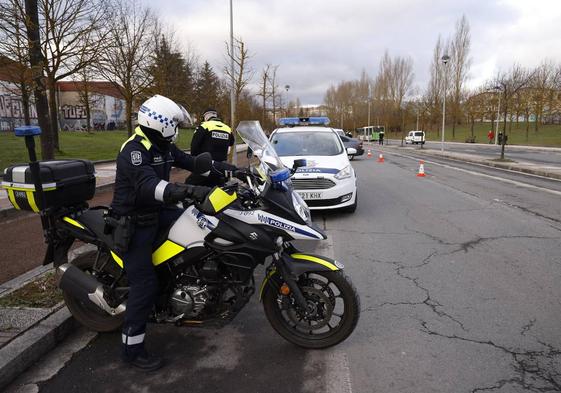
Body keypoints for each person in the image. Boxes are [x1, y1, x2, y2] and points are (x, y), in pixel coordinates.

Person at [111, 95, 235, 371]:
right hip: (133, 222)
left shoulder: (162, 144)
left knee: (202, 225)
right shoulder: (134, 150)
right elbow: (149, 186)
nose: (177, 129)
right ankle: (132, 350)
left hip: (157, 213)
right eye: (175, 123)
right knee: (145, 285)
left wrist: (230, 170)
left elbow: (192, 162)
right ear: (161, 123)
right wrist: (190, 190)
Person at [188, 108, 234, 186]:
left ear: (206, 117)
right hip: (221, 169)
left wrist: (194, 161)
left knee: (189, 185)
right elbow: (231, 142)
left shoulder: (204, 126)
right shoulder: (227, 128)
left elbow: (194, 146)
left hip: (205, 167)